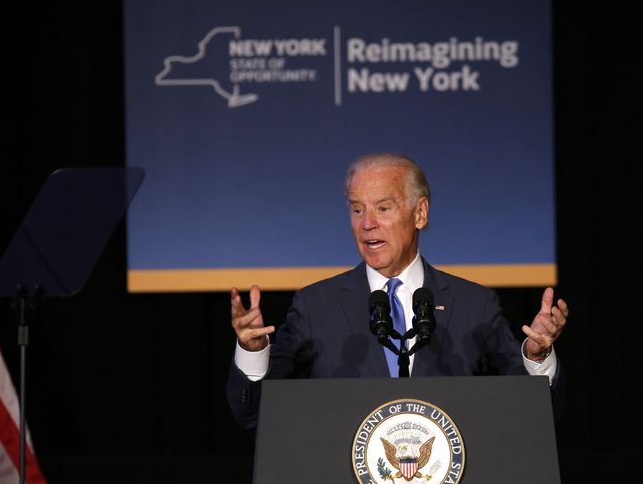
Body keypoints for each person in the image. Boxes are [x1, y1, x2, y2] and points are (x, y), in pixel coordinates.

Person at [226, 152, 568, 429]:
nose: (366, 224)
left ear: (419, 213)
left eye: (383, 208)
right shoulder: (316, 306)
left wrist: (537, 358)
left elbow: (534, 416)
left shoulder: (473, 304)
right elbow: (255, 414)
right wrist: (252, 353)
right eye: (357, 209)